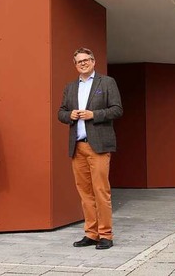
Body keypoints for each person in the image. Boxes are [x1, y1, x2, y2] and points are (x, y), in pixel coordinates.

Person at [58, 48, 123, 250]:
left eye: (86, 60)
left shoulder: (107, 82)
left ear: (93, 62)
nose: (83, 63)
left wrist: (93, 114)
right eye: (79, 61)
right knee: (85, 193)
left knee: (101, 191)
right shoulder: (70, 87)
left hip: (99, 146)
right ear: (75, 65)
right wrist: (71, 116)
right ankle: (91, 233)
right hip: (77, 147)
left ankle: (106, 234)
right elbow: (61, 112)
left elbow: (117, 109)